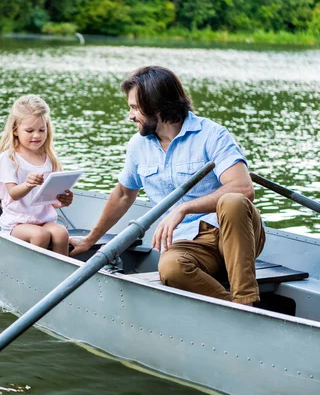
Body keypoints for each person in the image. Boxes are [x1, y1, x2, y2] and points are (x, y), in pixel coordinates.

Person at [69, 66, 265, 306]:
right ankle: (237, 311)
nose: (130, 115)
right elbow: (122, 195)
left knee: (232, 200)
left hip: (233, 234)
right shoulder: (138, 146)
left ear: (156, 106)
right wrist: (90, 239)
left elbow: (243, 188)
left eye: (134, 107)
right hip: (188, 244)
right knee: (171, 268)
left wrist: (184, 209)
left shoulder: (212, 134)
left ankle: (246, 301)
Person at [0, 95, 74, 255]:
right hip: (17, 223)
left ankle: (64, 276)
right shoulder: (9, 158)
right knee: (39, 235)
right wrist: (28, 185)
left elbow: (50, 200)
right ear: (15, 130)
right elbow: (13, 193)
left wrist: (63, 201)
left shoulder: (50, 160)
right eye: (29, 131)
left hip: (44, 220)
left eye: (42, 130)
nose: (37, 135)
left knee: (61, 233)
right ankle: (34, 275)